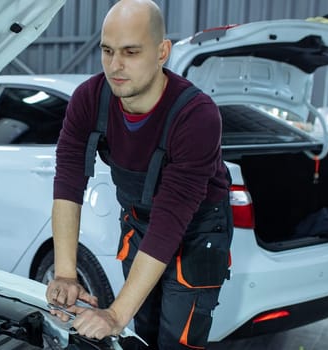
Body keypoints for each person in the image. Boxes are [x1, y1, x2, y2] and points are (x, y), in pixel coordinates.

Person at [46, 0, 233, 349]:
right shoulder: (88, 99)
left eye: (131, 52)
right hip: (139, 220)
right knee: (142, 331)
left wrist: (115, 315)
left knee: (176, 340)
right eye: (107, 51)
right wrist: (66, 273)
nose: (115, 66)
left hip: (197, 230)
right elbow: (68, 184)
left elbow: (171, 218)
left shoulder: (196, 116)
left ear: (162, 51)